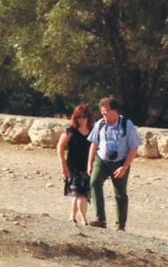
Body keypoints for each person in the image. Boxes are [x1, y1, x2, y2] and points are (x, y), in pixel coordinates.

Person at [87, 96, 142, 231]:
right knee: (94, 183)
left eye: (106, 111)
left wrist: (125, 167)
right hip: (102, 160)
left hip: (120, 162)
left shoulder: (127, 125)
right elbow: (94, 144)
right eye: (102, 112)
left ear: (115, 111)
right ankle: (100, 219)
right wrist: (90, 163)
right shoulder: (100, 124)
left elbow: (133, 148)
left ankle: (120, 225)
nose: (104, 114)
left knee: (120, 193)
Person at [57, 104, 93, 226]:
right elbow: (60, 146)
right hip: (73, 167)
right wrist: (63, 164)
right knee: (80, 194)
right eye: (79, 117)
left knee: (79, 194)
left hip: (88, 167)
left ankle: (72, 216)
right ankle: (84, 219)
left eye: (84, 117)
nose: (81, 120)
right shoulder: (70, 131)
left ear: (88, 118)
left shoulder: (93, 132)